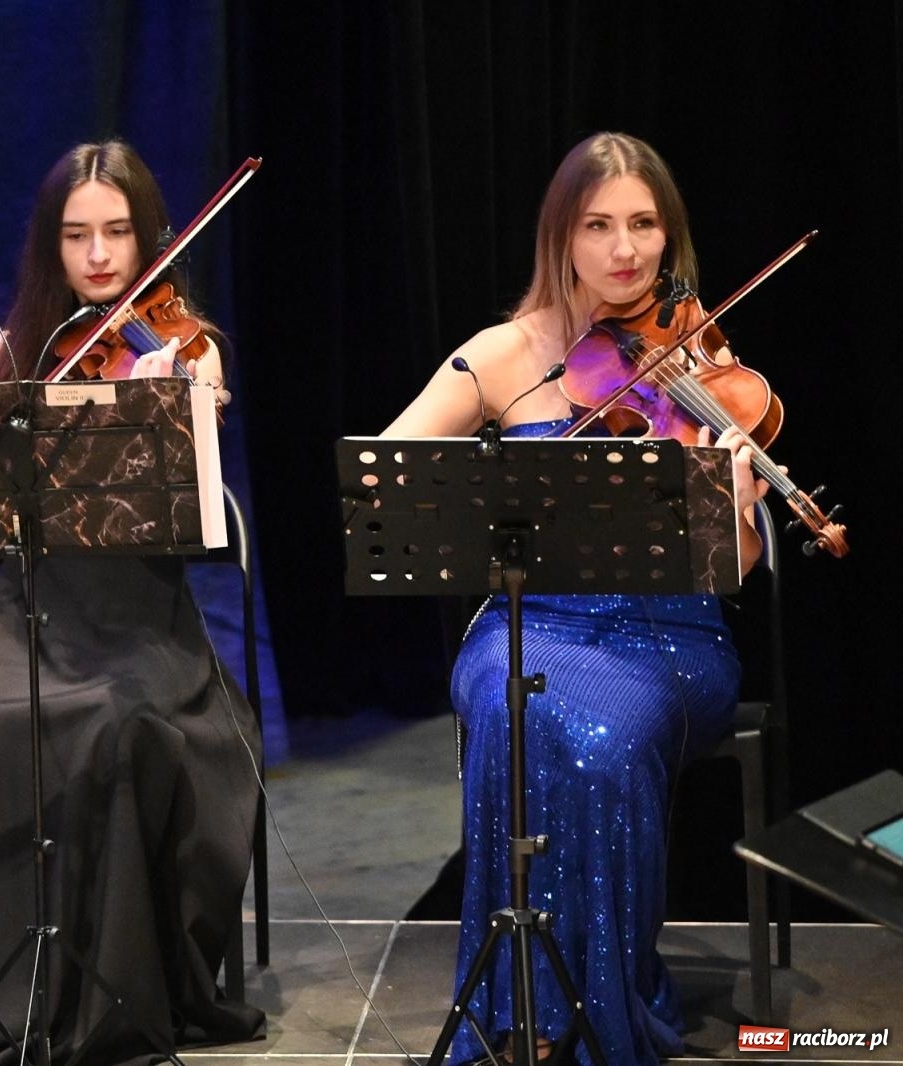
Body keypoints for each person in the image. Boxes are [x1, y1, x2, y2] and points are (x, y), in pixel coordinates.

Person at [0, 139, 265, 1065]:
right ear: (51, 246)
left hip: (144, 629)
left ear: (149, 236)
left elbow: (197, 515)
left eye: (118, 232)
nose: (102, 257)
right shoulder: (18, 345)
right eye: (78, 236)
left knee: (117, 729)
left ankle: (104, 991)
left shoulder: (182, 346)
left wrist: (178, 407)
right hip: (27, 615)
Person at [383, 131, 770, 1064]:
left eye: (643, 224)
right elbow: (388, 472)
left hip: (667, 638)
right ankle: (520, 1006)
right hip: (530, 623)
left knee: (596, 738)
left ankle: (596, 1011)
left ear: (669, 239)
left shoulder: (705, 369)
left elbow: (738, 568)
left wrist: (736, 502)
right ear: (563, 236)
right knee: (522, 706)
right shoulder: (505, 354)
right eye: (599, 225)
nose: (623, 250)